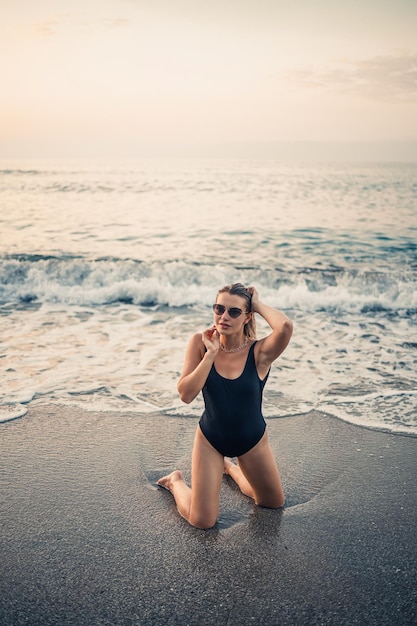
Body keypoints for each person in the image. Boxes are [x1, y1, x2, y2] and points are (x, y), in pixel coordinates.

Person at [157, 283, 293, 529]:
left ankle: (229, 469)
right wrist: (210, 355)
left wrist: (258, 303)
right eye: (219, 308)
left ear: (247, 316)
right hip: (211, 439)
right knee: (202, 521)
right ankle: (175, 481)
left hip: (252, 441)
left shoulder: (259, 352)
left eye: (234, 311)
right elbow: (186, 395)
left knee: (271, 503)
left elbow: (284, 327)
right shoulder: (200, 343)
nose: (224, 316)